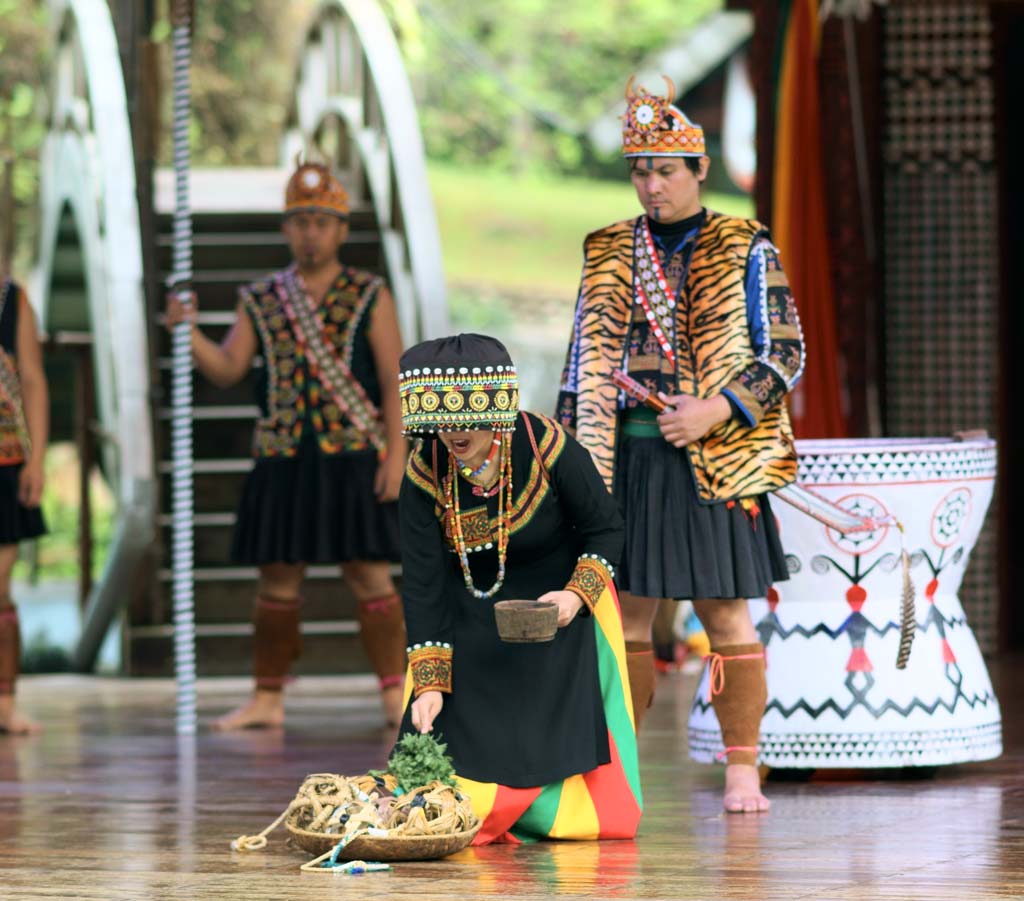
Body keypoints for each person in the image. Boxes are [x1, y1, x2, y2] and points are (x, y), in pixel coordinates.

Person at [557, 76, 806, 813]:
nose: (651, 183)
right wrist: (570, 466)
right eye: (641, 169)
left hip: (716, 458)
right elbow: (579, 364)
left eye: (666, 169)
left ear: (700, 170)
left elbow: (785, 353)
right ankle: (619, 772)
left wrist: (717, 409)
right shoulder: (606, 249)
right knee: (626, 612)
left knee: (725, 611)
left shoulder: (745, 245)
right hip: (624, 456)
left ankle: (741, 769)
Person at [166, 160, 407, 730]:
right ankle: (267, 697)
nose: (311, 233)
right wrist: (186, 331)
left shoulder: (369, 294)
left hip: (355, 455)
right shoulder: (261, 297)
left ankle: (396, 692)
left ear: (342, 230)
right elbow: (227, 368)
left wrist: (397, 454)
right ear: (285, 229)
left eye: (322, 222)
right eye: (300, 221)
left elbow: (396, 379)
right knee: (276, 580)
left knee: (370, 574)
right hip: (281, 457)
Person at [396, 334, 641, 844]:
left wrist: (576, 597)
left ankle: (553, 813)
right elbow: (423, 582)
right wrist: (431, 681)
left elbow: (606, 530)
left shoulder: (547, 445)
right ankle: (475, 811)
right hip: (468, 609)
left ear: (496, 409)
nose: (452, 433)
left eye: (465, 420)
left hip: (558, 606)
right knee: (434, 739)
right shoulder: (424, 470)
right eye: (442, 422)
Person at [0, 278, 48, 735]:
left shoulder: (12, 300)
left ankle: (4, 702)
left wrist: (36, 459)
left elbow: (32, 379)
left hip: (4, 457)